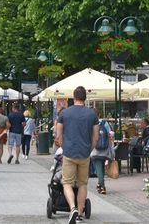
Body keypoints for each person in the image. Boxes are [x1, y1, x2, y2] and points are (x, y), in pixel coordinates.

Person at [55, 85, 100, 224]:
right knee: (82, 184)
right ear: (85, 98)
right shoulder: (92, 115)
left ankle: (72, 208)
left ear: (73, 97)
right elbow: (96, 137)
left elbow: (58, 135)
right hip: (84, 154)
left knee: (67, 182)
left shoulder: (64, 114)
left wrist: (64, 147)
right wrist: (89, 149)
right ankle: (79, 215)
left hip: (69, 153)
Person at [90, 117, 114, 196]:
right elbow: (111, 134)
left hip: (95, 149)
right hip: (104, 149)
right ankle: (99, 184)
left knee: (98, 167)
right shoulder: (104, 123)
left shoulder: (90, 122)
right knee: (102, 167)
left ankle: (102, 186)